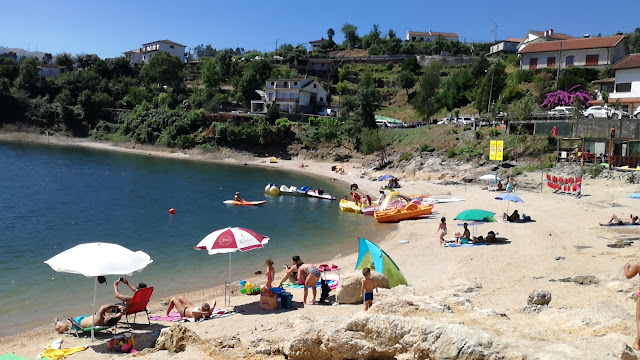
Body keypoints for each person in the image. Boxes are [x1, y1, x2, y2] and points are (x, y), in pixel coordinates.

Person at [55, 304, 125, 334]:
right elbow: (118, 315)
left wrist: (118, 306)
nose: (105, 316)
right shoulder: (112, 321)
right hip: (87, 319)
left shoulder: (99, 318)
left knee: (67, 322)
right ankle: (59, 325)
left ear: (105, 319)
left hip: (78, 323)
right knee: (103, 311)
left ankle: (58, 326)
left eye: (106, 317)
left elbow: (103, 307)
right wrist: (121, 311)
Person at [624, 262, 640, 350]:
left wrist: (626, 267)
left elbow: (628, 275)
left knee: (639, 319)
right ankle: (637, 343)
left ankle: (638, 344)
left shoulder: (639, 266)